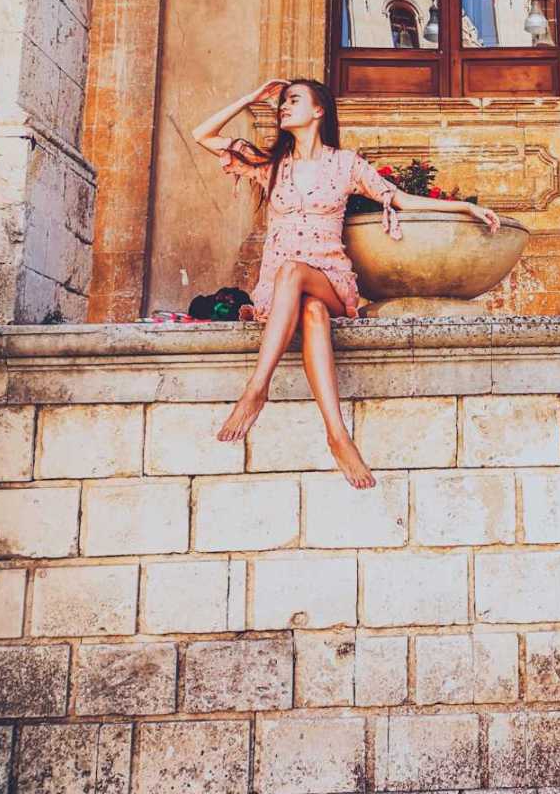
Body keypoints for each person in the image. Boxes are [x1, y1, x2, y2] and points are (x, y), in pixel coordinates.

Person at [192, 78, 500, 488]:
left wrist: (464, 207)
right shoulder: (271, 165)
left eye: (293, 100)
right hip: (283, 292)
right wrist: (251, 97)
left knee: (298, 276)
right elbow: (202, 135)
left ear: (319, 110)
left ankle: (256, 388)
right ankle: (337, 435)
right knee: (312, 312)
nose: (284, 106)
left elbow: (400, 199)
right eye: (283, 102)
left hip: (330, 280)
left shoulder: (345, 164)